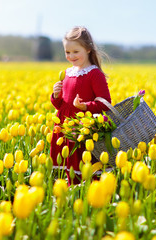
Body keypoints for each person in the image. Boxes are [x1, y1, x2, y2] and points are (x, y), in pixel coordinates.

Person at [50, 26, 111, 185]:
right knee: (67, 167)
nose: (71, 56)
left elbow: (105, 103)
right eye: (67, 52)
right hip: (65, 126)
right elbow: (62, 106)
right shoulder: (67, 73)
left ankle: (88, 197)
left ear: (88, 49)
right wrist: (56, 96)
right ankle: (70, 197)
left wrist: (85, 107)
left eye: (75, 52)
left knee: (83, 167)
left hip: (82, 129)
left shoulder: (94, 73)